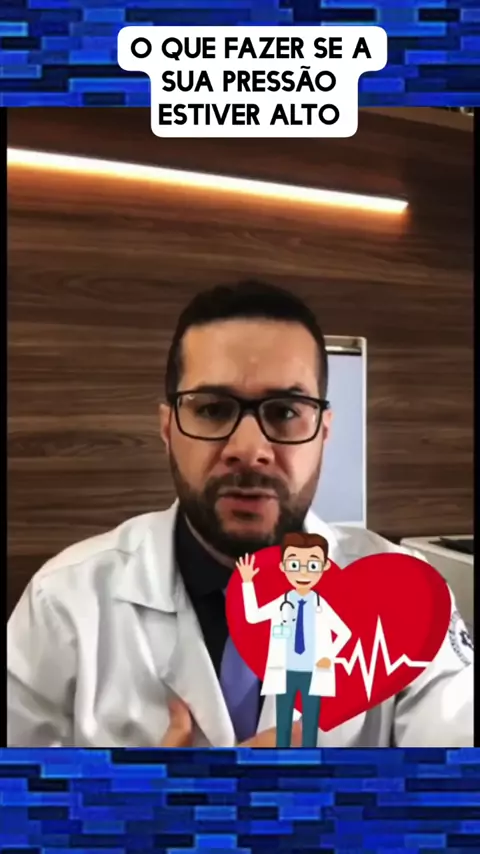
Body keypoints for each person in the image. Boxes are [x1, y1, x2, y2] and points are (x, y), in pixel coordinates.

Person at [7, 280, 474, 747]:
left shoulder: (406, 596)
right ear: (167, 428)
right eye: (213, 409)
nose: (249, 450)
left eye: (285, 412)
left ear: (324, 432)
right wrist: (140, 795)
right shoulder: (63, 601)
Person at [238, 533, 352, 748]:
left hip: (313, 672)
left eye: (312, 566)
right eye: (294, 565)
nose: (303, 572)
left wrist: (328, 657)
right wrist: (247, 582)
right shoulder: (282, 602)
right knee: (283, 724)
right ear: (283, 567)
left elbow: (344, 633)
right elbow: (253, 616)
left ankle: (305, 761)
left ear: (325, 567)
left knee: (309, 726)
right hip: (286, 671)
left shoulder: (321, 605)